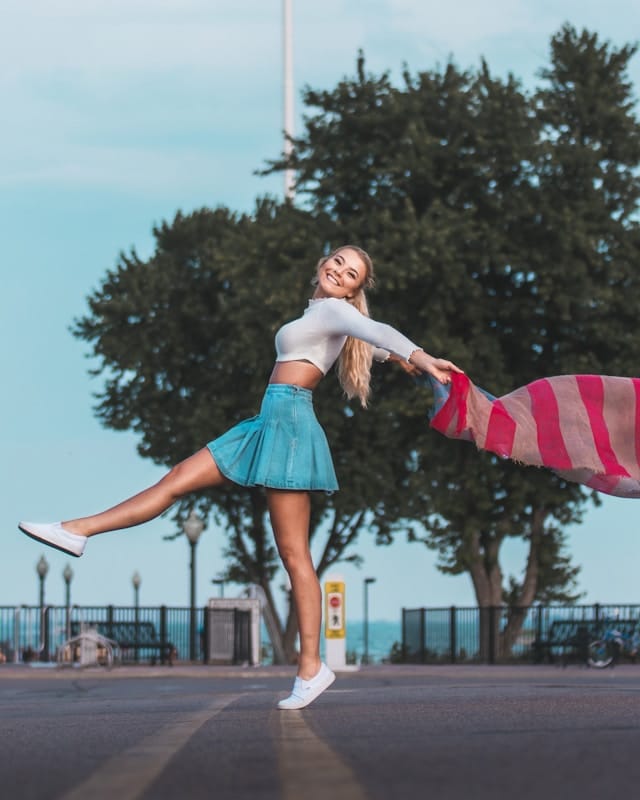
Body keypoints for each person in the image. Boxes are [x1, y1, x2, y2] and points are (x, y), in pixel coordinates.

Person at [19, 245, 462, 709]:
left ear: (354, 290)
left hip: (290, 425)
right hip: (266, 421)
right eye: (337, 262)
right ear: (322, 262)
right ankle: (77, 531)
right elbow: (372, 346)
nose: (339, 272)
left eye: (351, 274)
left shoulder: (336, 311)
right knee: (176, 479)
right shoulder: (320, 315)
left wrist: (422, 357)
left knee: (294, 555)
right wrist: (405, 362)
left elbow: (377, 331)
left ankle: (312, 669)